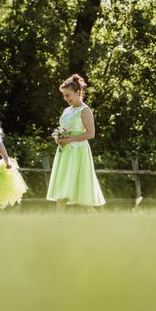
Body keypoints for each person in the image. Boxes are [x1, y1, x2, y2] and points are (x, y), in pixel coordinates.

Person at [47, 74, 105, 211]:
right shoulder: (66, 110)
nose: (66, 98)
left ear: (78, 93)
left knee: (81, 193)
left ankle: (98, 221)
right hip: (65, 152)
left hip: (78, 152)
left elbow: (91, 134)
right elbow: (64, 130)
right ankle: (57, 224)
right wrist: (59, 138)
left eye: (68, 95)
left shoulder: (84, 110)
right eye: (64, 95)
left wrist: (69, 139)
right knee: (62, 189)